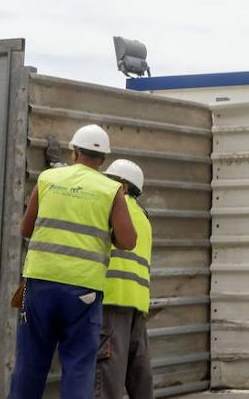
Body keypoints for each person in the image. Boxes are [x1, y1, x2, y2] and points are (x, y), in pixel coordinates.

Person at [9, 124, 137, 399]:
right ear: (103, 159)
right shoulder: (111, 189)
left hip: (40, 284)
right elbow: (128, 241)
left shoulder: (47, 179)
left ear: (74, 151)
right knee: (78, 366)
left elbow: (26, 229)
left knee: (30, 363)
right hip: (84, 292)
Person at [96, 159, 154, 399]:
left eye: (111, 181)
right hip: (137, 305)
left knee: (107, 375)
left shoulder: (114, 209)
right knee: (138, 374)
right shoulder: (143, 216)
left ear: (124, 188)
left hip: (112, 301)